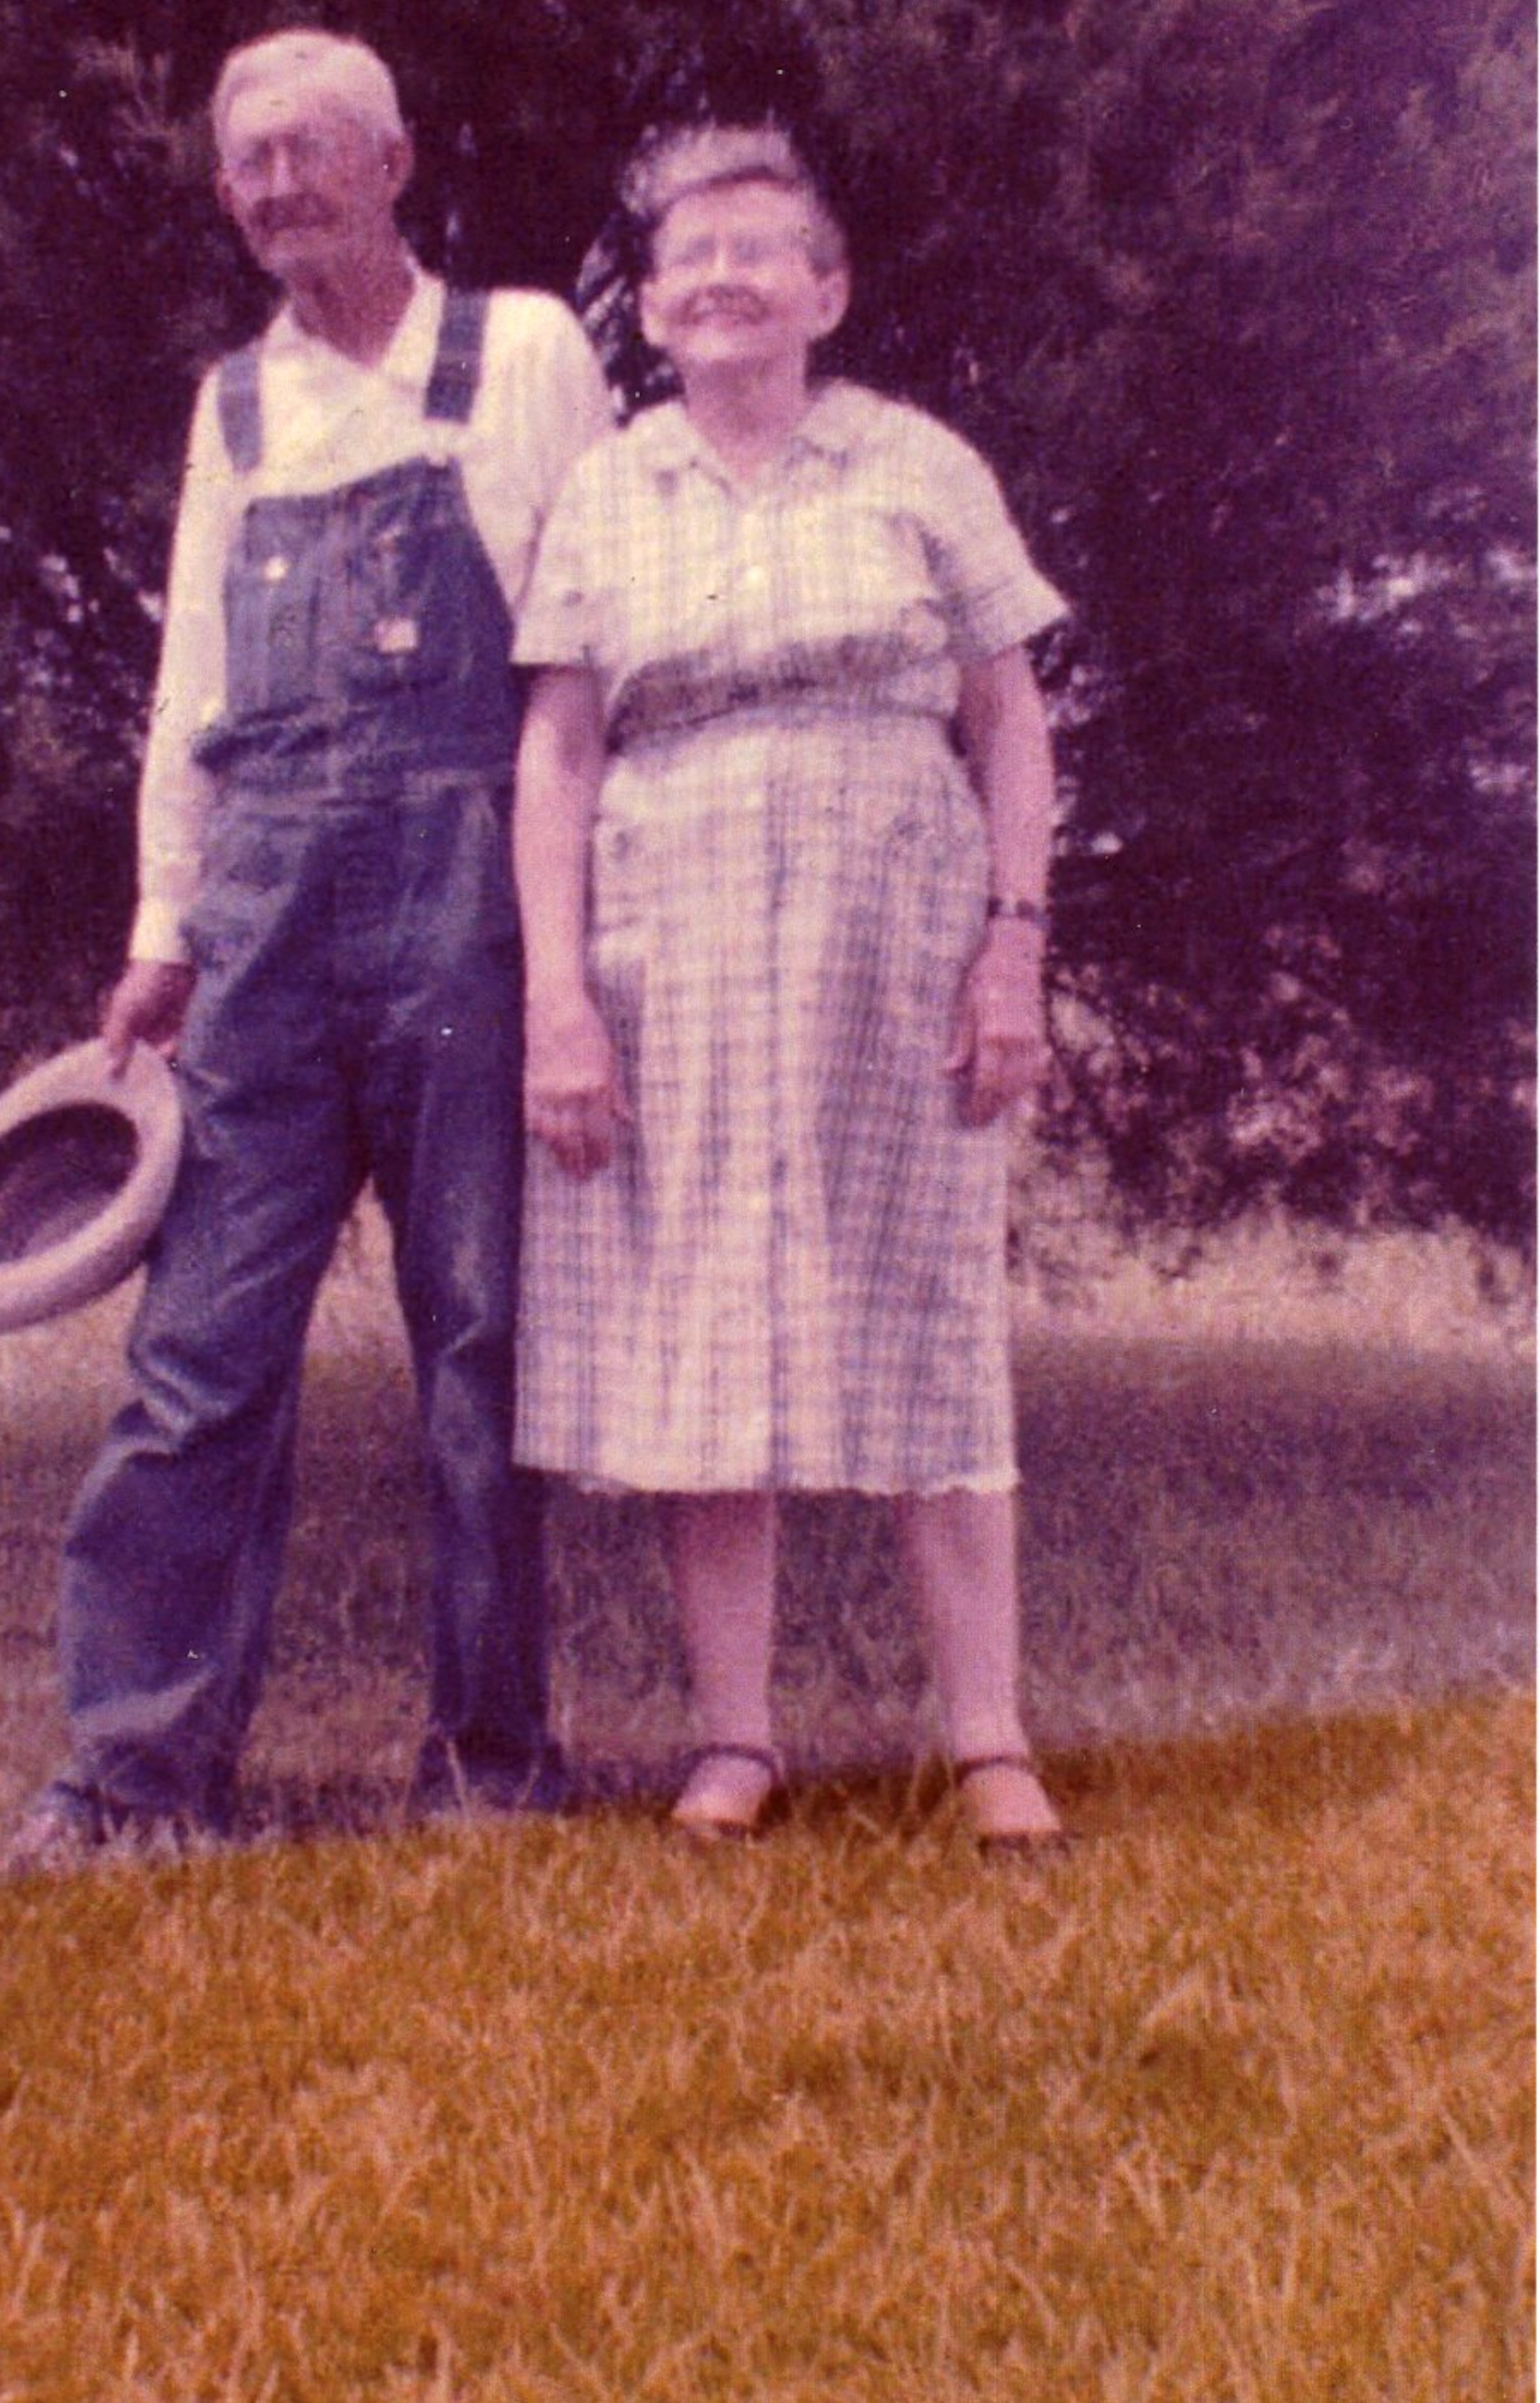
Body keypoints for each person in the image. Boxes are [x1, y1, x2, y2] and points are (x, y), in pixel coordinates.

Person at [28, 30, 613, 1850]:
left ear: (395, 161)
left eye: (314, 150)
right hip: (265, 919)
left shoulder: (523, 351)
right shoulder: (233, 406)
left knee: (482, 1342)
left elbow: (593, 654)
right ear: (227, 196)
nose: (282, 187)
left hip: (468, 895)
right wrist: (163, 927)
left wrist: (578, 949)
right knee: (199, 1346)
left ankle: (492, 1760)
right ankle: (136, 1773)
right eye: (251, 163)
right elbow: (189, 684)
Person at [511, 124, 1069, 1853]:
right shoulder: (610, 489)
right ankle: (735, 1737)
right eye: (689, 255)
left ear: (826, 291)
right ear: (649, 309)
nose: (723, 277)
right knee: (700, 1321)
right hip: (668, 950)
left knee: (928, 1309)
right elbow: (558, 755)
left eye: (760, 248)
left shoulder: (916, 463)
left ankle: (989, 1738)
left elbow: (1009, 719)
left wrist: (1014, 940)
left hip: (889, 944)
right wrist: (557, 998)